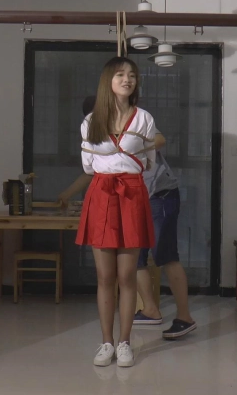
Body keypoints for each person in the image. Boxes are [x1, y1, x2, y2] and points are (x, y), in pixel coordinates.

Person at [73, 56, 157, 368]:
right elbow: (88, 166)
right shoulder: (90, 121)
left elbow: (149, 162)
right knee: (105, 275)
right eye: (120, 74)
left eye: (132, 75)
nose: (127, 80)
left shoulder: (144, 118)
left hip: (132, 193)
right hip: (102, 193)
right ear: (108, 80)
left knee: (127, 275)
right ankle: (106, 342)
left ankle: (124, 343)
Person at [132, 151, 196, 339]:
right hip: (137, 197)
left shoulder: (137, 130)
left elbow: (158, 140)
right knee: (134, 255)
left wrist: (129, 145)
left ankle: (185, 317)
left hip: (160, 195)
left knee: (166, 255)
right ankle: (150, 310)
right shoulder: (104, 140)